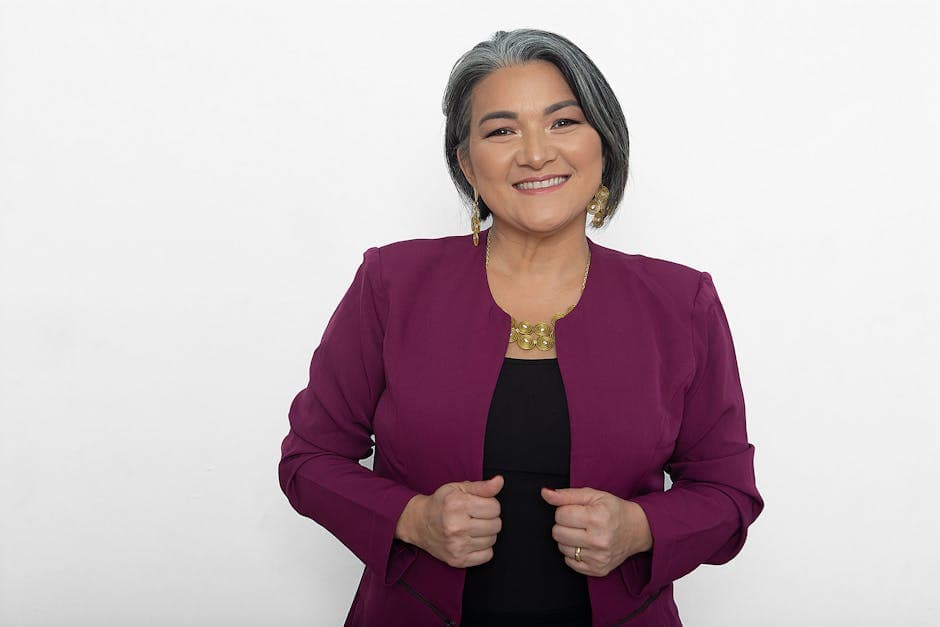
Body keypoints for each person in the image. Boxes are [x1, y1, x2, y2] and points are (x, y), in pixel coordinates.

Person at [278, 28, 764, 627]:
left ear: (604, 142)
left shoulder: (680, 302)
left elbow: (728, 492)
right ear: (467, 163)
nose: (535, 154)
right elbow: (309, 459)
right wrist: (412, 519)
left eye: (563, 122)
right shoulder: (392, 283)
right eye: (502, 131)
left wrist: (641, 528)